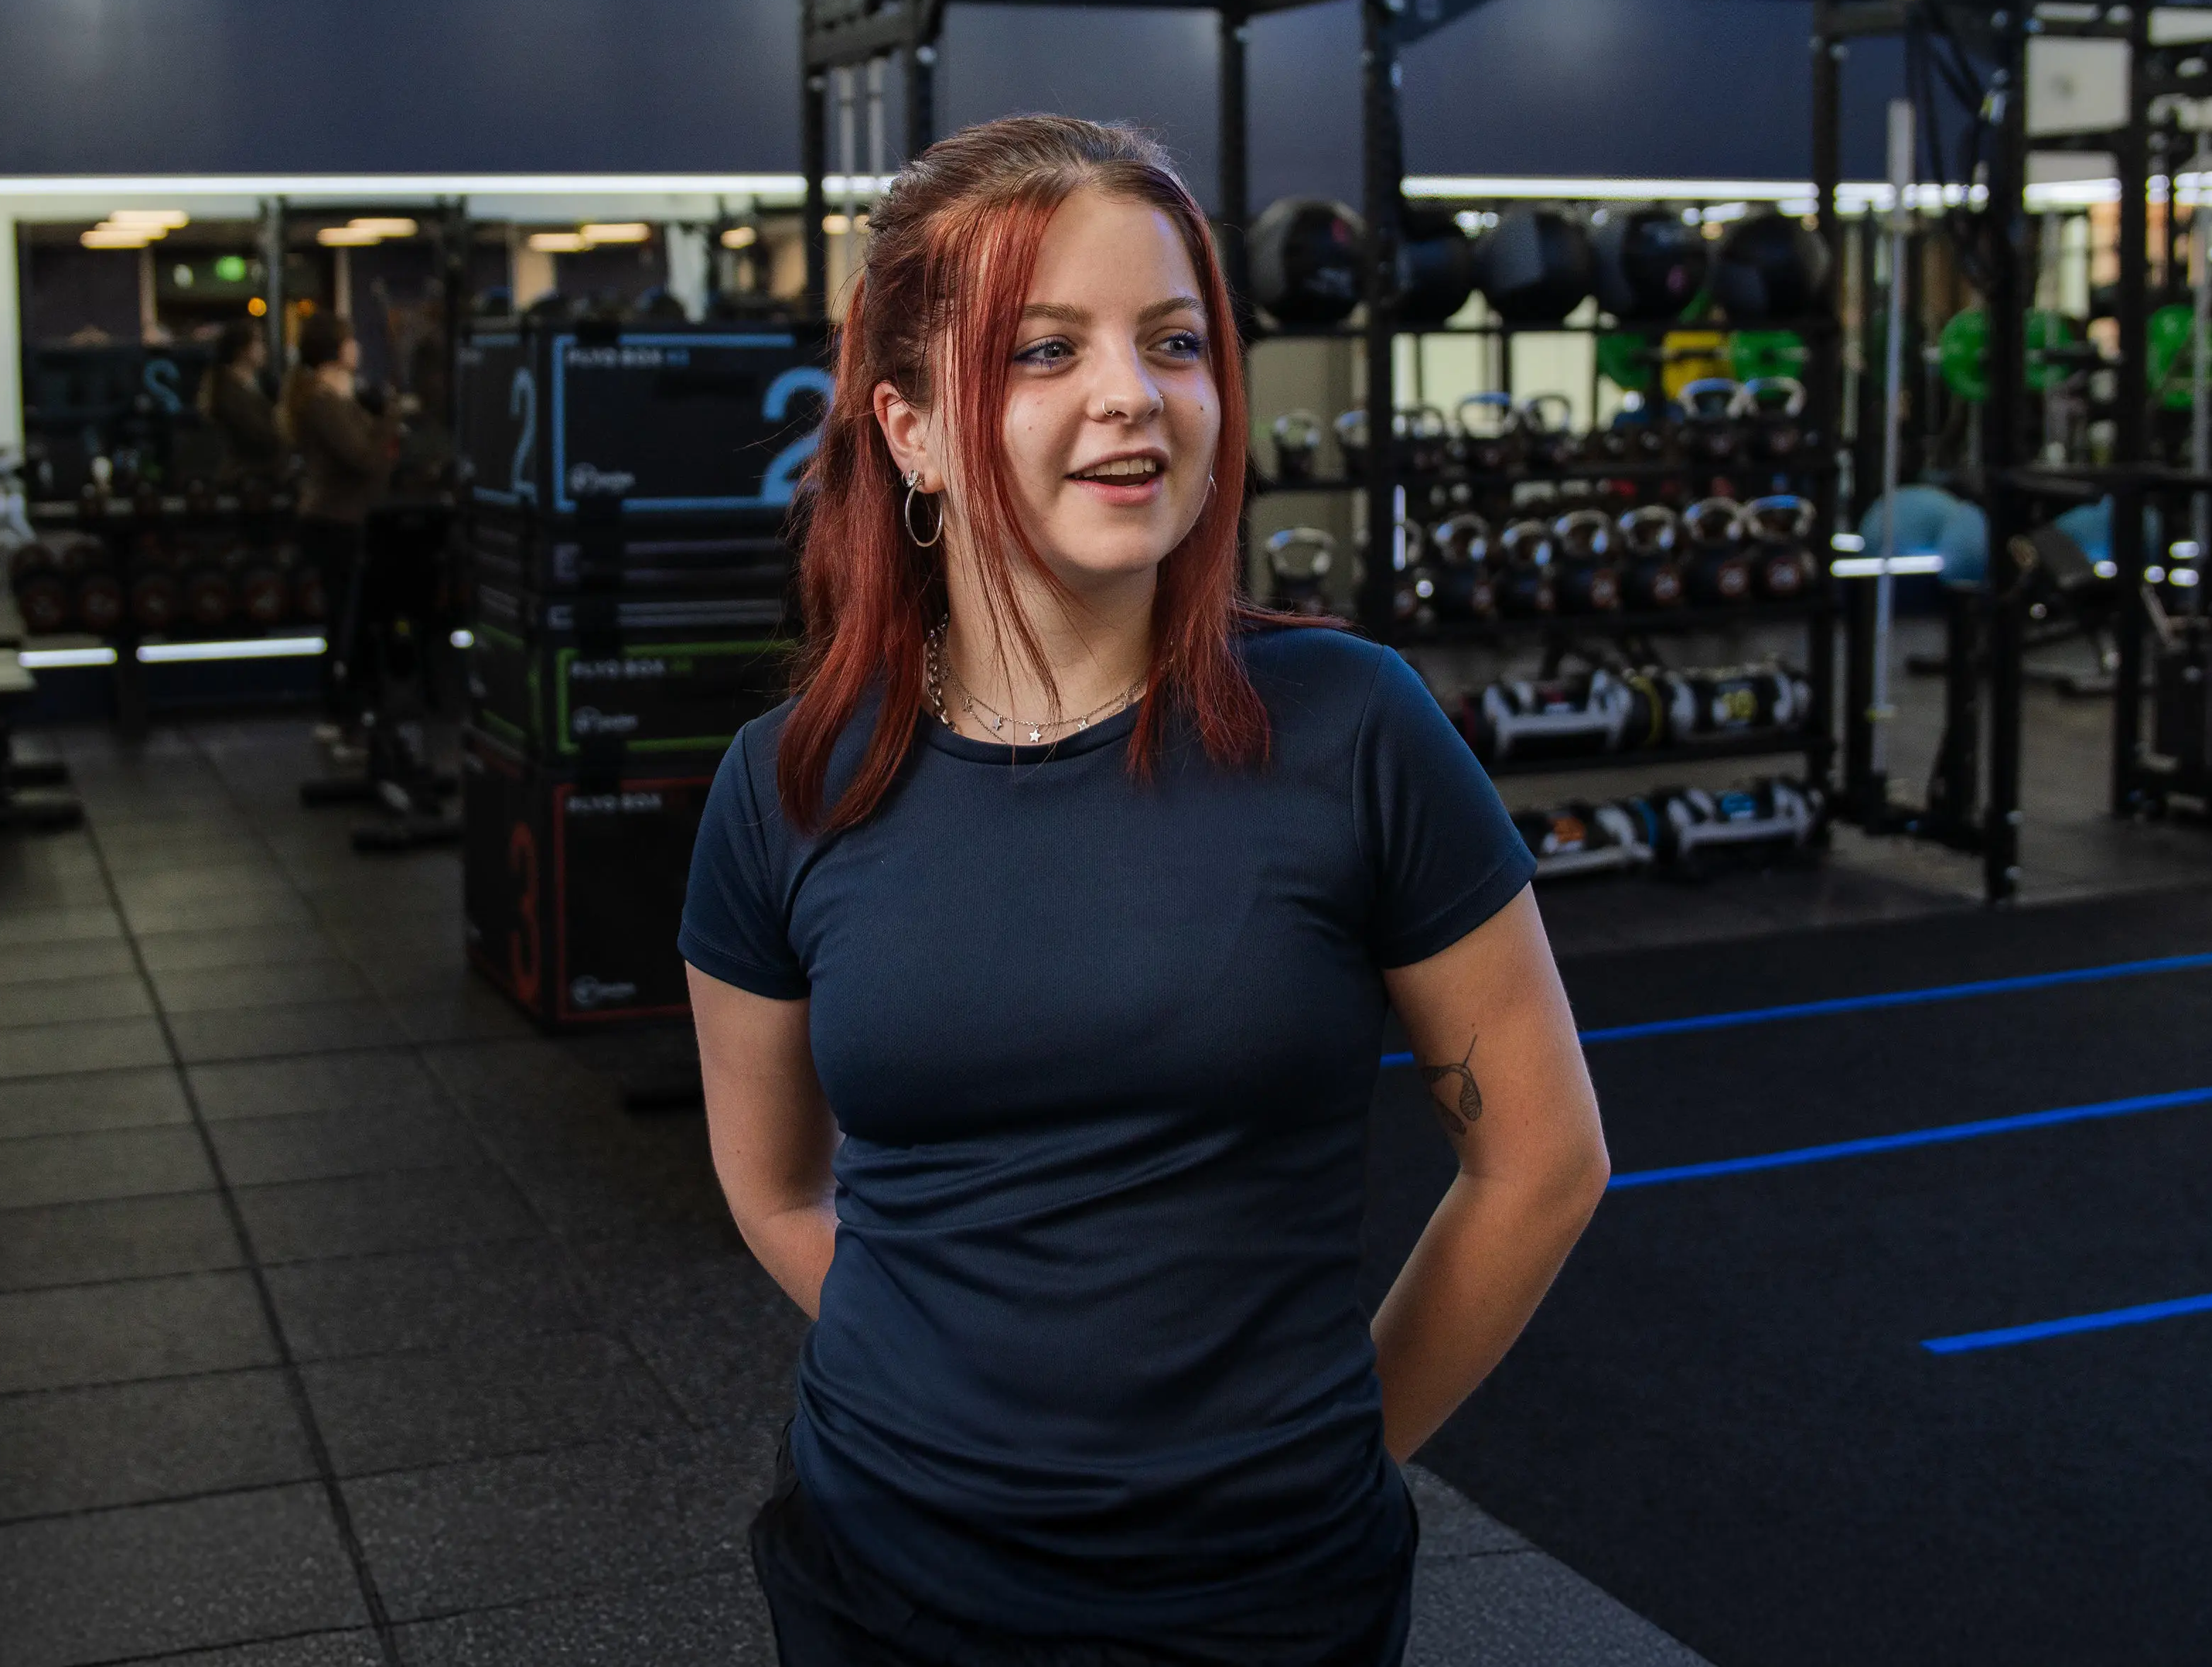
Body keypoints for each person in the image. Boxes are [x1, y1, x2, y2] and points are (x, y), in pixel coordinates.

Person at [678, 116, 1609, 1667]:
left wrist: (1324, 1449)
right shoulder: (787, 782)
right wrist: (957, 1399)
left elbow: (1540, 1161)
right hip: (884, 1569)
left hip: (1261, 1588)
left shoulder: (1352, 728)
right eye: (1044, 351)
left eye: (1170, 341)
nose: (1131, 393)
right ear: (906, 431)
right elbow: (776, 1186)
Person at [280, 312, 409, 758]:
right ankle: (343, 716)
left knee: (351, 622)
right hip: (335, 525)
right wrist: (390, 415)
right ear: (336, 349)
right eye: (351, 340)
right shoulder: (322, 402)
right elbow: (362, 458)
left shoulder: (338, 398)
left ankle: (346, 715)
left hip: (351, 520)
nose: (358, 348)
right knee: (346, 623)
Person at [196, 321, 285, 484]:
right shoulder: (228, 393)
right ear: (242, 350)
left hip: (261, 474)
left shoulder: (259, 386)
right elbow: (260, 436)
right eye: (258, 342)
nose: (264, 349)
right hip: (244, 478)